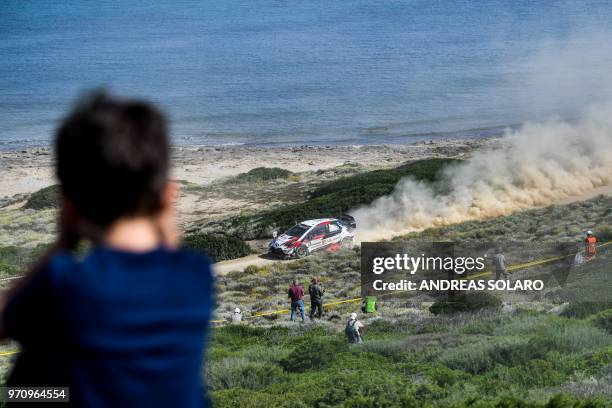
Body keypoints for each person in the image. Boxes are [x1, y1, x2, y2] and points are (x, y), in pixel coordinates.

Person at [0, 91, 214, 407]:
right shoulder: (196, 275)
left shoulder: (64, 282)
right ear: (167, 197)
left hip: (61, 396)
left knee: (19, 389)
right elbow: (170, 256)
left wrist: (62, 244)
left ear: (69, 207)